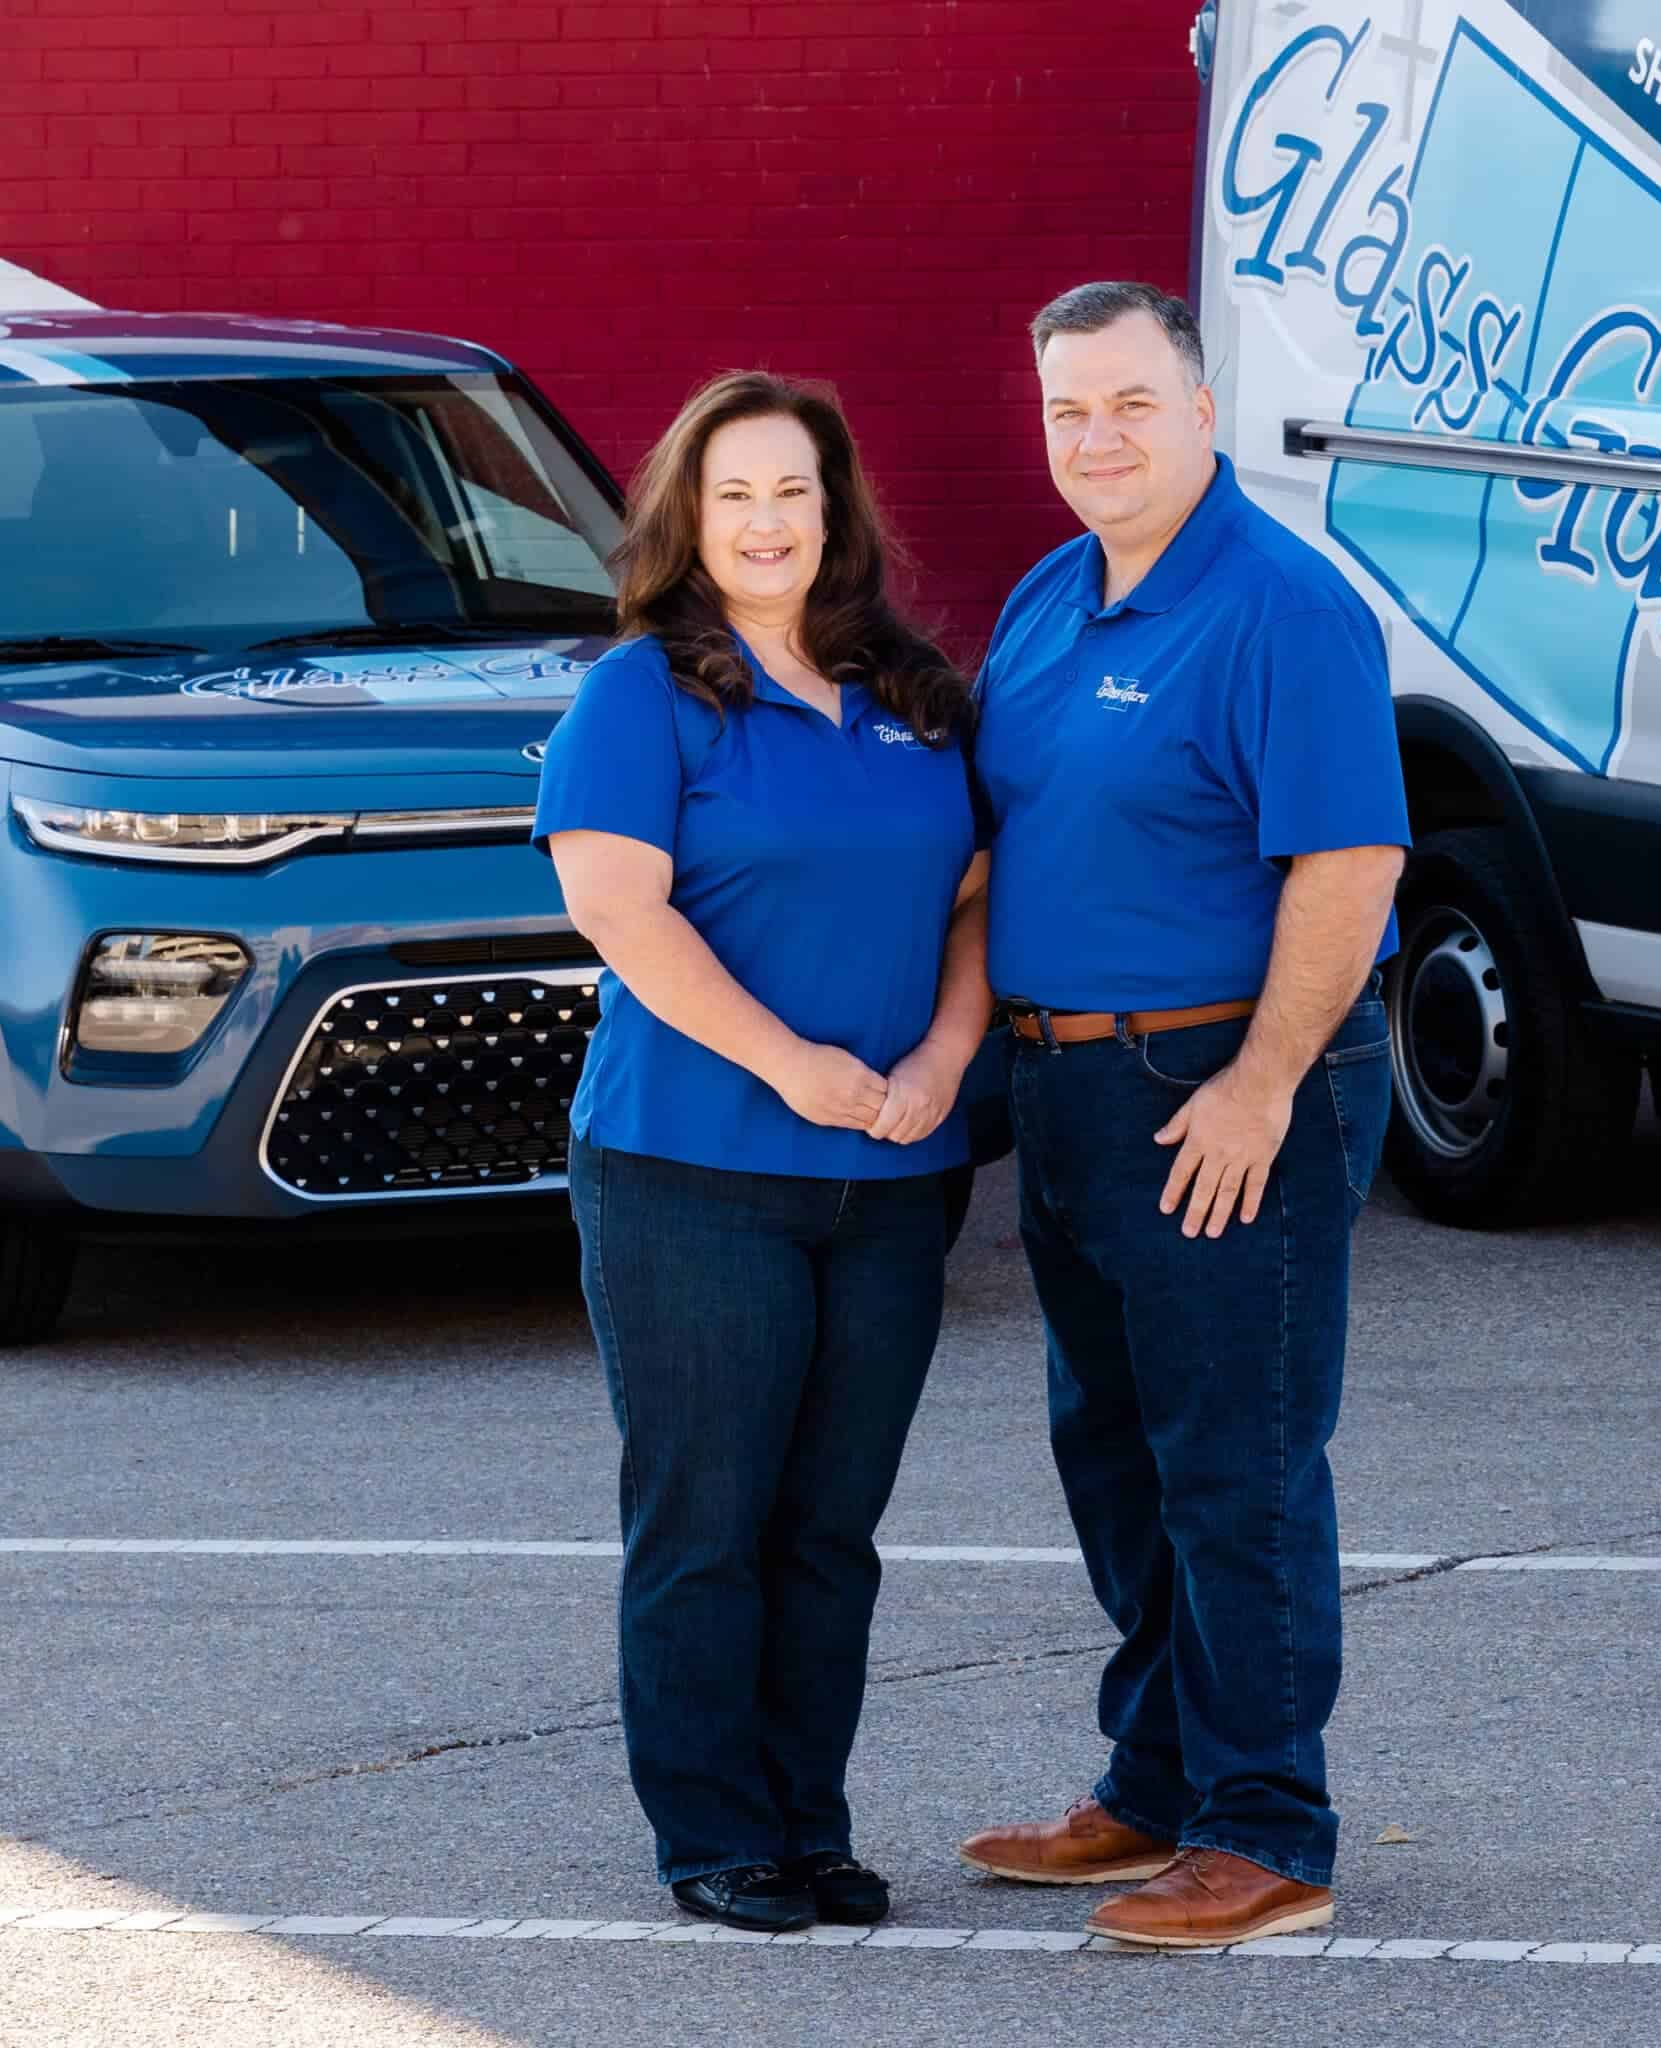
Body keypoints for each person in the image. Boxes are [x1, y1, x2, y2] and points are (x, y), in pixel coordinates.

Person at [957, 283, 1410, 1947]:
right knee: (1116, 1455)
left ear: (1203, 409)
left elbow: (1350, 865)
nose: (1098, 438)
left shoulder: (1282, 606)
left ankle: (1267, 1825)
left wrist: (1264, 1084)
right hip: (1067, 1084)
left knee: (1236, 1463)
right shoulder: (1049, 600)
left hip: (1219, 1088)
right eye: (1070, 407)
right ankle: (1152, 1787)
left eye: (1133, 403)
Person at [534, 371, 989, 1934]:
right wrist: (793, 1064)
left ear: (836, 509)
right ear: (688, 516)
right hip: (692, 1173)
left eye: (793, 491)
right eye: (735, 494)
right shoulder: (640, 695)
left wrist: (941, 1058)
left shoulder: (918, 693)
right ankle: (716, 1835)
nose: (767, 521)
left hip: (891, 1181)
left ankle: (812, 1822)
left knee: (829, 1530)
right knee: (708, 1519)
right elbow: (619, 910)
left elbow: (979, 905)